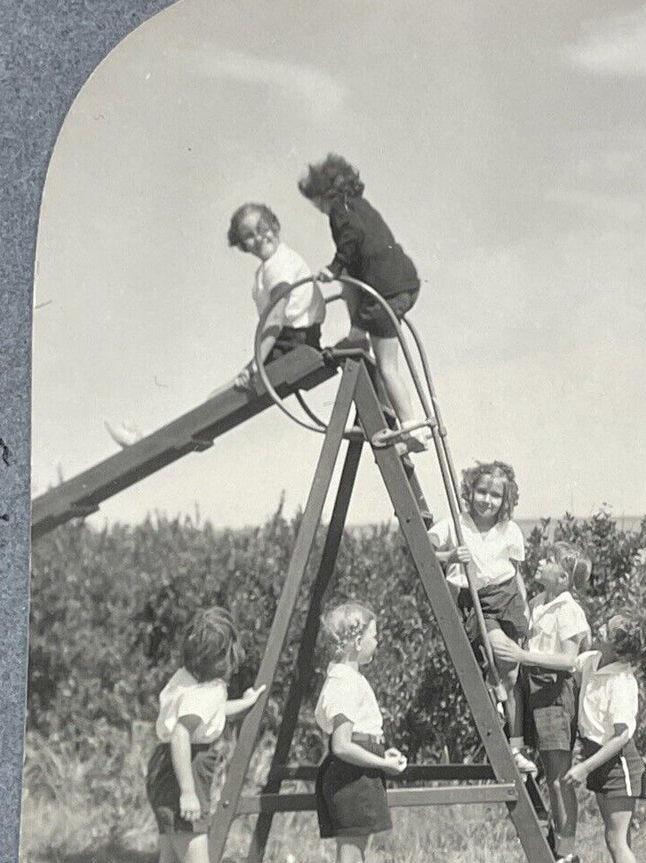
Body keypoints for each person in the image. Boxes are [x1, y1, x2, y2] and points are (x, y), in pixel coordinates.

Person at [143, 608, 265, 863]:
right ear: (223, 659)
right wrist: (188, 792)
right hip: (185, 772)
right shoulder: (206, 691)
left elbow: (202, 715)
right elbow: (183, 735)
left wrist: (241, 705)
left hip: (162, 771)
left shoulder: (186, 683)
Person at [517, 611, 646, 863]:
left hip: (618, 763)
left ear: (618, 644)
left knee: (616, 839)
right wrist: (519, 656)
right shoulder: (592, 660)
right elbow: (563, 663)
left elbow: (621, 736)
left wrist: (585, 767)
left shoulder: (622, 681)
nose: (603, 624)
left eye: (611, 627)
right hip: (599, 758)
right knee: (617, 839)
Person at [298, 153, 426, 450]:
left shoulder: (340, 212)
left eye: (316, 201)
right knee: (351, 285)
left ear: (323, 195)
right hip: (404, 285)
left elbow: (351, 240)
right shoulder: (361, 207)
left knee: (387, 366)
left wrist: (333, 267)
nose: (317, 208)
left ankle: (412, 427)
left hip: (385, 294)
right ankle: (358, 336)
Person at [314, 601, 410, 863]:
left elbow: (358, 736)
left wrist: (380, 753)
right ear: (354, 643)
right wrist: (382, 763)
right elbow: (341, 744)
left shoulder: (348, 678)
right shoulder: (342, 681)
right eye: (373, 636)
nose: (378, 642)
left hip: (360, 771)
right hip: (350, 778)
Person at [429, 460, 534, 773]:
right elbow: (420, 548)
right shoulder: (455, 525)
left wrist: (526, 606)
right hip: (478, 602)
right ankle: (494, 691)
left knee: (513, 676)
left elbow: (516, 573)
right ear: (470, 491)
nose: (487, 500)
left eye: (496, 495)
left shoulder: (509, 530)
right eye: (482, 492)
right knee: (498, 649)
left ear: (506, 500)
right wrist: (448, 556)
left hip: (509, 599)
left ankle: (515, 747)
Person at [519, 541, 593, 863]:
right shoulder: (538, 603)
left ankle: (567, 850)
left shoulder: (568, 610)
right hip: (534, 688)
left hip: (554, 692)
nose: (541, 560)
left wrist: (521, 657)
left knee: (559, 777)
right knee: (549, 776)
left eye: (549, 560)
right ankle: (556, 845)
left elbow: (567, 659)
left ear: (563, 577)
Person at [225, 202, 326, 389]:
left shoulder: (279, 263)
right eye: (248, 236)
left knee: (240, 386)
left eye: (262, 229)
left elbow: (276, 316)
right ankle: (227, 388)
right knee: (236, 385)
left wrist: (256, 366)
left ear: (275, 226)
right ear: (242, 245)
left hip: (296, 339)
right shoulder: (268, 267)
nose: (258, 238)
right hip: (290, 337)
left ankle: (228, 388)